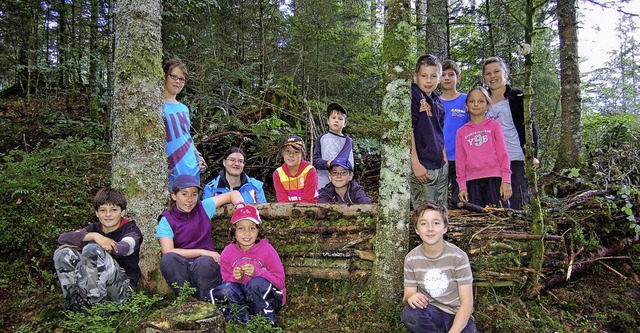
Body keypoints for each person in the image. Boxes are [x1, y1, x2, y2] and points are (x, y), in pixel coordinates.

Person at [156, 174, 244, 301]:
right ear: (174, 196)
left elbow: (232, 194)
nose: (190, 199)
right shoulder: (167, 219)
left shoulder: (203, 207)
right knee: (168, 260)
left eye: (194, 194)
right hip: (183, 267)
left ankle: (207, 303)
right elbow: (167, 251)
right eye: (184, 194)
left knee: (204, 262)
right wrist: (202, 251)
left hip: (206, 267)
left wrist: (240, 207)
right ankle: (187, 301)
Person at [53, 188, 143, 311]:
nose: (108, 215)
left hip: (121, 290)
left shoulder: (132, 231)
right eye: (103, 210)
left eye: (114, 210)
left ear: (123, 212)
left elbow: (123, 248)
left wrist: (101, 245)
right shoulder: (94, 229)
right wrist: (95, 236)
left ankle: (97, 308)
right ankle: (74, 302)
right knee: (62, 253)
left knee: (92, 250)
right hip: (90, 286)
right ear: (97, 213)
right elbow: (63, 239)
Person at [400, 200, 477, 333]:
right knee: (410, 314)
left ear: (445, 227)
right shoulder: (411, 259)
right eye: (423, 224)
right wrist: (411, 296)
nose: (430, 228)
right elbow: (408, 294)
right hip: (430, 312)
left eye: (436, 223)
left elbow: (467, 303)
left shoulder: (458, 257)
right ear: (417, 230)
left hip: (457, 314)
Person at [211, 205, 286, 324]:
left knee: (256, 283)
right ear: (233, 231)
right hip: (243, 298)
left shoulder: (267, 250)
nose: (247, 233)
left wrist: (258, 273)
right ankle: (241, 322)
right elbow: (226, 282)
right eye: (241, 228)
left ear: (259, 231)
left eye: (252, 228)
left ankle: (265, 322)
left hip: (267, 299)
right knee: (225, 289)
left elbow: (280, 281)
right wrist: (237, 277)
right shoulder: (227, 252)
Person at [482, 56, 539, 210]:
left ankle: (523, 232)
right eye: (488, 73)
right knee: (496, 204)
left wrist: (533, 154)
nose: (492, 76)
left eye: (496, 72)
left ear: (505, 73)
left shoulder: (517, 97)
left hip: (515, 157)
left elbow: (530, 127)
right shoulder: (481, 101)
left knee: (519, 201)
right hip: (491, 161)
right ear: (484, 77)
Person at [455, 87, 512, 207]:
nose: (476, 104)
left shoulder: (494, 126)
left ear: (487, 104)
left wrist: (506, 180)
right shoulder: (461, 132)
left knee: (499, 215)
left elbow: (503, 154)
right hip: (472, 181)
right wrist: (462, 186)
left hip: (495, 178)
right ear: (466, 105)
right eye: (472, 101)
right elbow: (460, 162)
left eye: (481, 101)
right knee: (476, 218)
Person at [410, 54, 448, 208]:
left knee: (441, 212)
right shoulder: (413, 96)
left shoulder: (438, 102)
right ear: (415, 77)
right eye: (424, 76)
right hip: (422, 165)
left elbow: (440, 133)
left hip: (439, 165)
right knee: (426, 212)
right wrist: (415, 162)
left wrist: (445, 162)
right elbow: (408, 130)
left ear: (439, 78)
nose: (428, 80)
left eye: (433, 76)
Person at [162, 60, 207, 188]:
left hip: (191, 167)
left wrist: (198, 157)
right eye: (174, 76)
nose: (177, 81)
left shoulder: (183, 108)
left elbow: (186, 137)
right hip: (171, 169)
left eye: (181, 79)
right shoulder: (155, 106)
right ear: (165, 76)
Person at [440, 60, 470, 209]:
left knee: (459, 200)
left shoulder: (467, 100)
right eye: (443, 74)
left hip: (462, 158)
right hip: (440, 158)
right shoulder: (434, 101)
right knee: (438, 200)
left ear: (458, 78)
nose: (446, 78)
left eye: (450, 74)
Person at [313, 102, 355, 189]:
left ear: (345, 124)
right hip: (323, 183)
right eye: (333, 118)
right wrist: (326, 163)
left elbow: (348, 163)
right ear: (328, 121)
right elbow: (315, 160)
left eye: (340, 119)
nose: (336, 120)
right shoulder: (321, 138)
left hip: (341, 182)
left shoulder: (348, 141)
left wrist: (335, 166)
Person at [273, 135, 319, 203]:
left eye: (296, 152)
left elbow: (308, 199)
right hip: (287, 209)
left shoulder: (309, 170)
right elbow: (282, 201)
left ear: (302, 156)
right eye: (287, 151)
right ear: (282, 154)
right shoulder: (278, 173)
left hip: (310, 208)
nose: (291, 155)